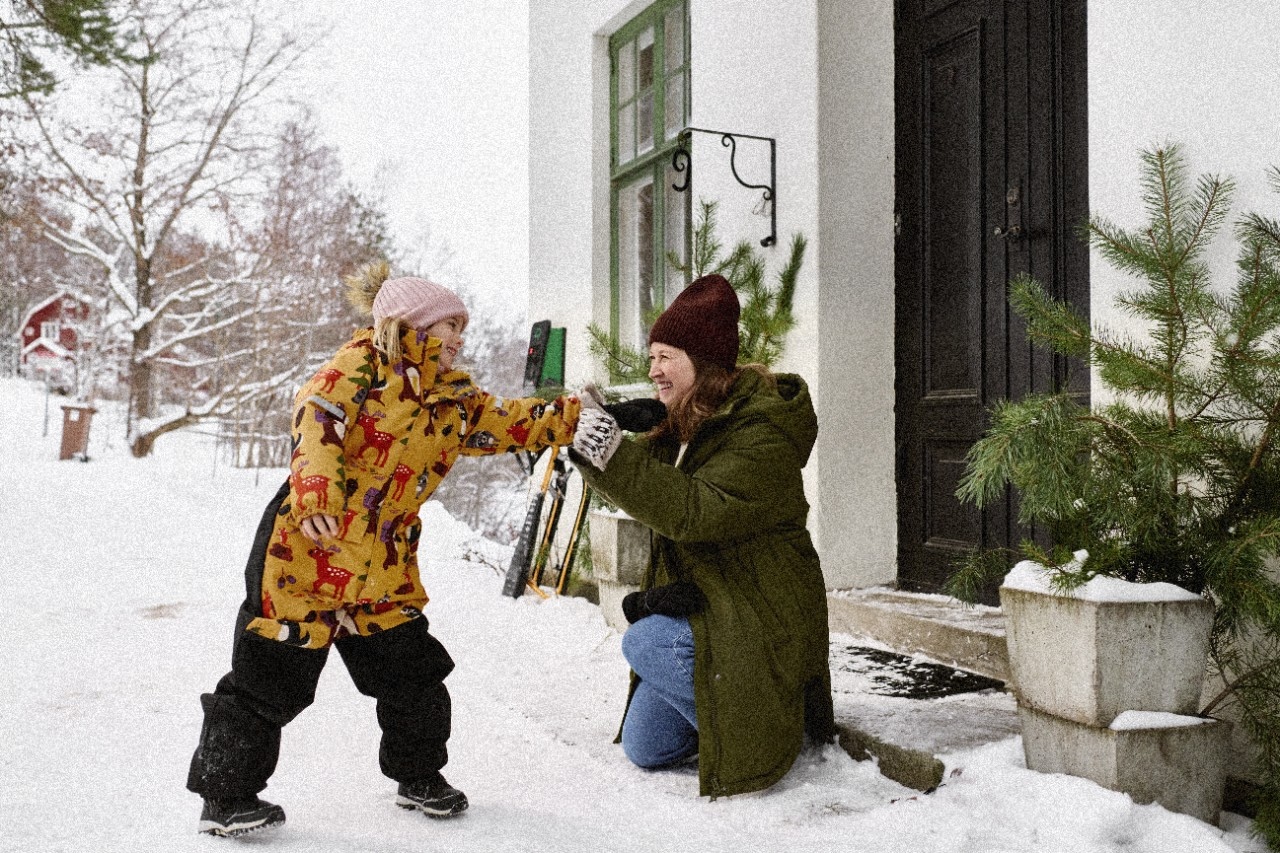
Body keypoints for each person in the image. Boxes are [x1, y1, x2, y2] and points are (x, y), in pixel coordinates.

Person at [186, 263, 620, 837]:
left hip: (383, 559)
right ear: (411, 325)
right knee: (271, 674)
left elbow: (509, 422)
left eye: (461, 327)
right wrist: (315, 492)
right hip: (308, 546)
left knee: (411, 671)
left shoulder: (452, 399)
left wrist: (577, 417)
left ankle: (419, 778)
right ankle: (225, 797)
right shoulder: (362, 364)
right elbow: (317, 418)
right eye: (450, 326)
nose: (460, 338)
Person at [573, 272, 837, 799]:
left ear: (703, 358)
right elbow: (634, 478)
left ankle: (767, 724)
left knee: (645, 640)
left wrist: (611, 450)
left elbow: (694, 512)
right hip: (717, 598)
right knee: (645, 746)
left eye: (664, 355)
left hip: (763, 607)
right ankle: (730, 715)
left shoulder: (762, 430)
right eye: (651, 357)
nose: (653, 370)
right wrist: (595, 436)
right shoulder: (690, 421)